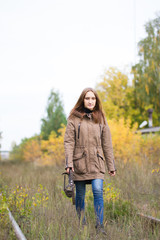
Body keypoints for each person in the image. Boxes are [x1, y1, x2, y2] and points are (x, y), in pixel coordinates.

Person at [64, 87, 116, 235]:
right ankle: (82, 225)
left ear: (96, 100)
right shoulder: (73, 119)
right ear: (83, 100)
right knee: (80, 195)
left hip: (97, 163)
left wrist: (111, 165)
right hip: (79, 163)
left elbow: (107, 144)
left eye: (93, 98)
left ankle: (100, 227)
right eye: (88, 98)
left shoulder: (101, 118)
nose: (91, 101)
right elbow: (68, 142)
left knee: (98, 190)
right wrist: (69, 164)